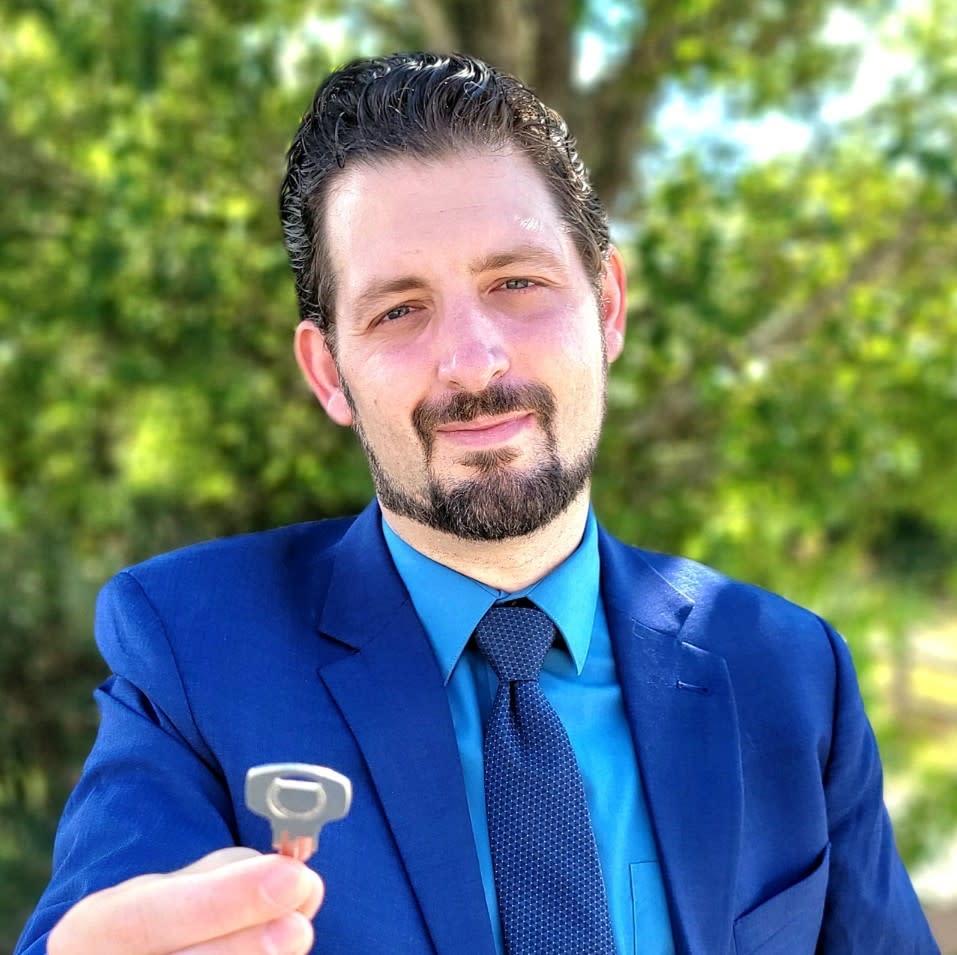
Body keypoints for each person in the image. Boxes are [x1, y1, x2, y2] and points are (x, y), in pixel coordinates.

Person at [16, 52, 938, 955]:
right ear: (328, 372)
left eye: (515, 283)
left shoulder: (788, 668)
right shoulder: (195, 646)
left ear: (607, 305)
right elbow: (110, 915)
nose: (472, 360)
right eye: (398, 310)